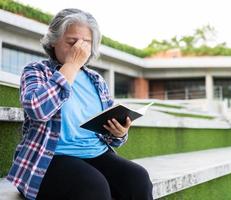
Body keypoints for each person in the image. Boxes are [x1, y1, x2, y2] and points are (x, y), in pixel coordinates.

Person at [6, 8, 153, 200]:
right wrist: (72, 66)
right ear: (53, 41)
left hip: (95, 154)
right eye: (72, 42)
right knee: (93, 186)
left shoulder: (96, 79)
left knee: (138, 179)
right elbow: (37, 109)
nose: (79, 49)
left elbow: (111, 136)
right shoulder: (37, 71)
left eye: (86, 43)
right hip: (49, 159)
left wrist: (119, 132)